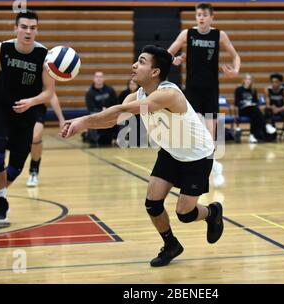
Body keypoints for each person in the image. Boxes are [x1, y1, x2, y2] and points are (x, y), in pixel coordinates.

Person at [60, 45, 223, 267]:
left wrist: (83, 121)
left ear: (155, 72)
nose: (134, 65)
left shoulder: (168, 94)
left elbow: (117, 111)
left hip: (197, 156)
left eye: (142, 61)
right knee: (152, 204)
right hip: (170, 152)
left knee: (185, 214)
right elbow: (114, 118)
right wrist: (84, 125)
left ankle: (212, 212)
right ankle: (171, 245)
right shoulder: (135, 95)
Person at [0, 10, 55, 223]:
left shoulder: (45, 56)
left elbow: (49, 92)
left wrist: (31, 102)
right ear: (15, 28)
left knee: (15, 169)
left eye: (32, 28)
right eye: (24, 27)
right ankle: (0, 198)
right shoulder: (1, 49)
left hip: (26, 115)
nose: (28, 31)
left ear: (37, 30)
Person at [167, 2, 241, 187]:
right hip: (192, 90)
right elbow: (168, 53)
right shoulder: (187, 34)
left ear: (211, 17)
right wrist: (173, 60)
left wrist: (236, 70)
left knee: (210, 137)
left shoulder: (219, 35)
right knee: (195, 134)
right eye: (198, 14)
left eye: (204, 15)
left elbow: (236, 56)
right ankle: (212, 169)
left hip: (210, 90)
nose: (201, 17)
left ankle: (214, 168)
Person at [0, 93, 65, 189]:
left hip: (36, 107)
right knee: (2, 139)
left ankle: (34, 171)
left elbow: (51, 94)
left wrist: (61, 119)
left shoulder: (44, 78)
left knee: (35, 137)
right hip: (13, 103)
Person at [234, 74, 275, 143]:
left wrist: (252, 103)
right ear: (243, 80)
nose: (248, 81)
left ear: (251, 81)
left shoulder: (253, 90)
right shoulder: (238, 89)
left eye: (249, 79)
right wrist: (245, 103)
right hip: (242, 110)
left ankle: (252, 136)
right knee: (255, 111)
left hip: (252, 109)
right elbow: (236, 102)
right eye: (246, 79)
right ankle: (266, 125)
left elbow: (256, 101)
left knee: (254, 114)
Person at [85, 71, 118, 147]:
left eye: (100, 77)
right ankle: (93, 139)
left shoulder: (110, 90)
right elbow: (91, 108)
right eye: (97, 77)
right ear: (94, 79)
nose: (99, 79)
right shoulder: (89, 93)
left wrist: (108, 111)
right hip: (97, 117)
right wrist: (101, 112)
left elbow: (116, 103)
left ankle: (116, 137)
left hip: (110, 115)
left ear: (103, 79)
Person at [264, 73, 284, 142]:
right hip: (271, 109)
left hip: (281, 109)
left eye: (276, 82)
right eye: (272, 82)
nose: (274, 84)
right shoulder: (267, 89)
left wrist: (279, 109)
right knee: (265, 111)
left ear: (280, 82)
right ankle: (271, 132)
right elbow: (267, 104)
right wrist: (272, 107)